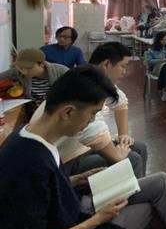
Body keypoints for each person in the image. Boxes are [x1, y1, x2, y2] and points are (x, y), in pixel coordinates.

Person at [0, 66, 166, 229]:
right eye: (93, 114)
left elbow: (45, 191)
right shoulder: (28, 162)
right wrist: (96, 221)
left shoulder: (30, 134)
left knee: (161, 183)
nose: (92, 121)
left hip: (74, 205)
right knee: (153, 209)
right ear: (68, 112)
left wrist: (77, 178)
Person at [31, 42, 148, 178]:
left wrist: (123, 135)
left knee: (140, 148)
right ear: (107, 64)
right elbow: (91, 129)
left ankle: (139, 187)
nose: (124, 72)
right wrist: (118, 155)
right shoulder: (85, 85)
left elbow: (120, 102)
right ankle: (134, 191)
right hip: (65, 159)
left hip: (81, 147)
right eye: (123, 66)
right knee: (132, 159)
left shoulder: (92, 79)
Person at [0, 48, 68, 102]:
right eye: (21, 68)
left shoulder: (61, 71)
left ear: (42, 64)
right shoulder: (17, 72)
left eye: (29, 68)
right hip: (31, 109)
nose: (24, 72)